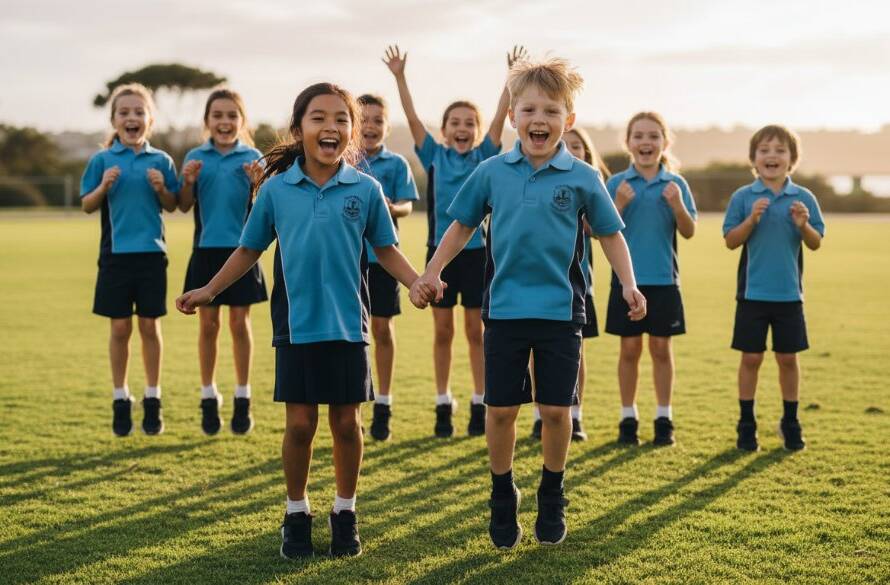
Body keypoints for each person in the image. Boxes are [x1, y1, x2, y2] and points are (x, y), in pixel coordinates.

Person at [177, 83, 425, 558]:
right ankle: (296, 513)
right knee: (299, 426)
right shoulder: (275, 190)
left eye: (340, 119)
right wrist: (209, 289)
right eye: (318, 118)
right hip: (296, 326)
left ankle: (345, 511)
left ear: (352, 133)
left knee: (348, 425)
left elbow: (386, 249)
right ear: (298, 129)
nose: (330, 127)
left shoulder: (367, 188)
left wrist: (416, 281)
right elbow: (249, 249)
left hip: (349, 326)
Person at [411, 57, 646, 549]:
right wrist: (432, 271)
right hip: (504, 311)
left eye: (552, 111)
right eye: (530, 109)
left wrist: (628, 284)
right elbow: (460, 226)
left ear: (570, 121)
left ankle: (552, 492)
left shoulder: (582, 177)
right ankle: (502, 495)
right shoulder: (491, 171)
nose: (540, 120)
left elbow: (610, 236)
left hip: (562, 312)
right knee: (500, 411)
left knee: (557, 411)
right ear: (514, 115)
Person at [383, 44, 526, 437]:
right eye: (454, 123)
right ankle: (444, 403)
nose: (462, 129)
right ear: (444, 130)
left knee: (475, 333)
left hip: (479, 255)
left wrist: (511, 77)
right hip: (439, 257)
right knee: (442, 333)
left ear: (477, 131)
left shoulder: (485, 155)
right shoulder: (432, 154)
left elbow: (501, 115)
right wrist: (399, 77)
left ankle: (480, 403)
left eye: (469, 123)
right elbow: (412, 118)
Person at [80, 83, 178, 437]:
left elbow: (172, 204)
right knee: (120, 328)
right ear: (114, 120)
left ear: (149, 120)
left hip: (152, 256)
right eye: (124, 112)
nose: (131, 117)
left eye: (139, 112)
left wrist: (162, 189)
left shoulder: (161, 161)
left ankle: (153, 398)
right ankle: (121, 398)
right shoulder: (101, 161)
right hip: (115, 258)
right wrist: (103, 187)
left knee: (150, 327)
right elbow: (87, 205)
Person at [723, 124, 824, 452]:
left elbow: (815, 243)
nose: (772, 156)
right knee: (751, 358)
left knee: (787, 359)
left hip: (789, 296)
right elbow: (730, 241)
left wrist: (803, 224)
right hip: (751, 295)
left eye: (780, 150)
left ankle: (790, 421)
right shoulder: (743, 196)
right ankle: (746, 422)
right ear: (754, 158)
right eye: (764, 150)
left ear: (792, 159)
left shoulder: (803, 198)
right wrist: (751, 220)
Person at [605, 112, 697, 447]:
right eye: (639, 136)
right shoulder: (616, 184)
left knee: (661, 348)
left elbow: (688, 231)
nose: (646, 142)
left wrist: (676, 206)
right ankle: (628, 417)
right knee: (629, 349)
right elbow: (597, 230)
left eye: (653, 136)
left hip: (664, 281)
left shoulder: (676, 184)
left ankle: (664, 417)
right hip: (626, 281)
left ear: (665, 142)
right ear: (628, 142)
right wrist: (618, 203)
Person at [179, 88, 267, 435]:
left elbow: (264, 210)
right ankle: (208, 396)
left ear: (242, 121)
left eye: (232, 115)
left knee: (239, 325)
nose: (225, 121)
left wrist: (257, 184)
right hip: (205, 250)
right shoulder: (195, 157)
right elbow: (183, 204)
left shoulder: (254, 157)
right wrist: (187, 181)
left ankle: (242, 397)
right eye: (218, 115)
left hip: (242, 251)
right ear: (207, 121)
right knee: (208, 326)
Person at [531, 126, 610, 442]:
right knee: (537, 354)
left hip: (579, 288)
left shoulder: (589, 184)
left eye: (579, 146)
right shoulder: (543, 181)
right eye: (568, 145)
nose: (573, 150)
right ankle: (540, 415)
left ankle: (574, 414)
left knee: (576, 354)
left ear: (587, 154)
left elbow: (600, 229)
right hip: (540, 284)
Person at [355, 93, 420, 441]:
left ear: (386, 125)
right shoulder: (342, 161)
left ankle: (384, 404)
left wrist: (389, 208)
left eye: (378, 120)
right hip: (349, 261)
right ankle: (357, 405)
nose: (370, 126)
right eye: (363, 119)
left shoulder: (395, 164)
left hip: (382, 260)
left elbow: (408, 206)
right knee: (354, 337)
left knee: (381, 330)